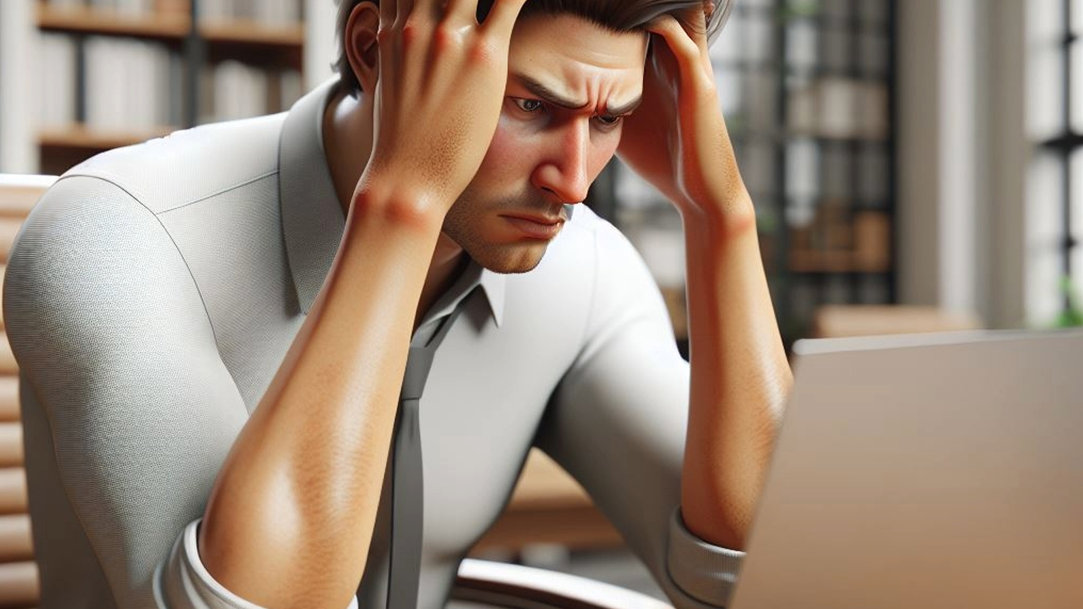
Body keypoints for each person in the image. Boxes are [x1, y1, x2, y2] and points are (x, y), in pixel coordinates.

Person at [3, 0, 793, 607]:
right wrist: (406, 199)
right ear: (376, 50)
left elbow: (761, 577)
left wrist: (719, 221)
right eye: (528, 106)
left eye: (609, 120)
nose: (574, 181)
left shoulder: (585, 268)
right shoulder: (119, 231)